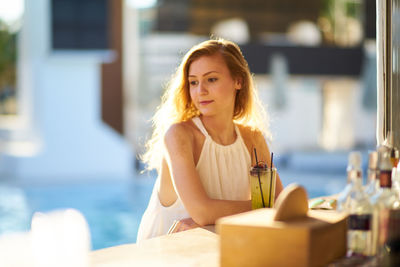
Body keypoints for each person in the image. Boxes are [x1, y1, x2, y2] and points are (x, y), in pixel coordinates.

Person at [137, 38, 283, 242]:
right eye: (193, 82)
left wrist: (211, 219)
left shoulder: (252, 138)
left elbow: (281, 202)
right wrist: (263, 207)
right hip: (165, 255)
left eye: (211, 79)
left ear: (238, 81)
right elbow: (202, 212)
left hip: (218, 249)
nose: (200, 91)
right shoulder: (179, 135)